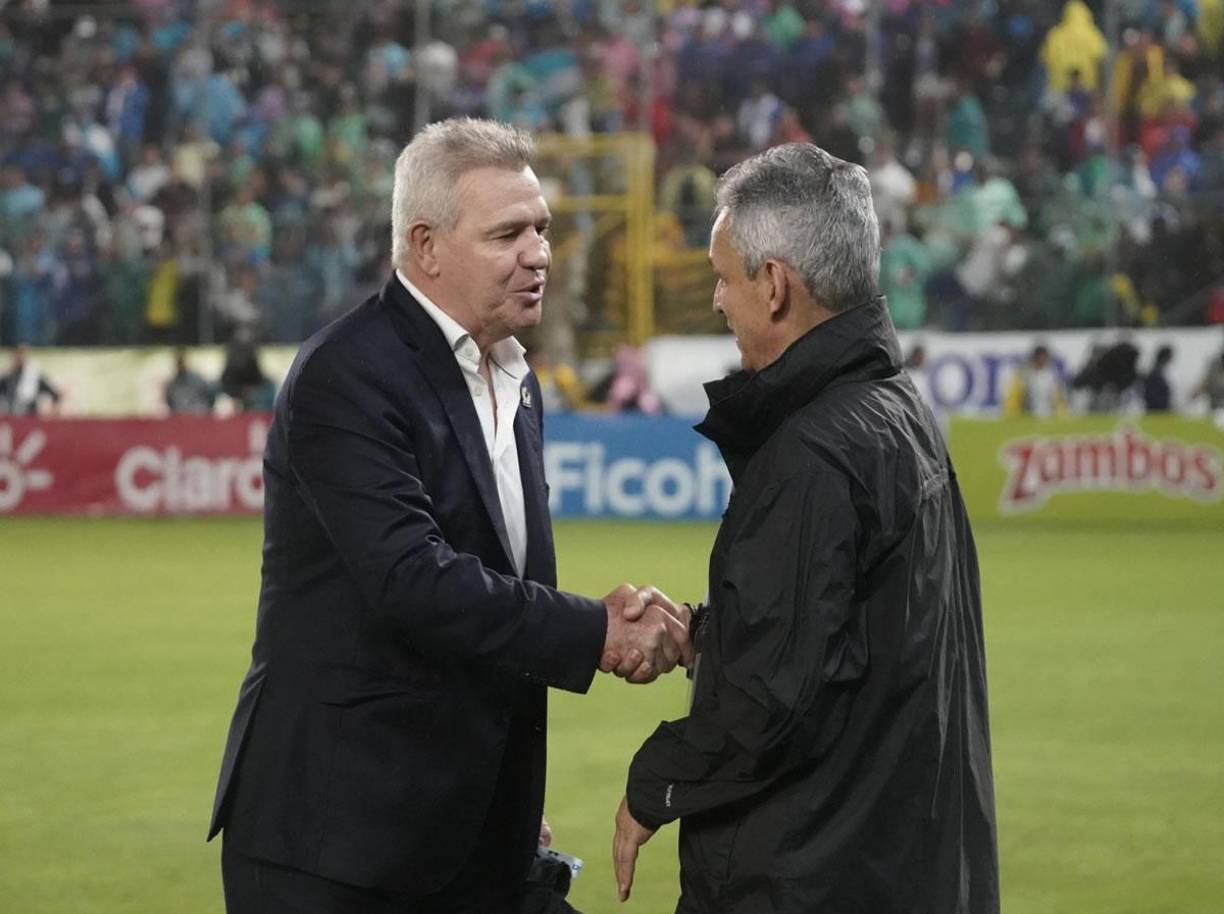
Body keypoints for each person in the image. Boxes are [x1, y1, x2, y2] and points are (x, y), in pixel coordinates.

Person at [209, 118, 690, 914]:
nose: (539, 253)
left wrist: (498, 794)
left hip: (467, 834)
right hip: (336, 846)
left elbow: (493, 598)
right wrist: (596, 631)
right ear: (425, 246)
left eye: (541, 229)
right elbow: (412, 579)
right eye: (508, 234)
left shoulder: (516, 379)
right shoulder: (347, 374)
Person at [611, 144, 998, 913]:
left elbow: (769, 705)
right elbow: (842, 637)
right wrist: (709, 631)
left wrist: (653, 784)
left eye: (724, 278)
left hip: (812, 876)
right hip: (899, 864)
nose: (718, 301)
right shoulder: (897, 410)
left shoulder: (813, 452)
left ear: (775, 285)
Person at [1004, 343, 1068, 418]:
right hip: (1028, 414)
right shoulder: (1025, 375)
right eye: (1040, 357)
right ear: (1035, 358)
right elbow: (1014, 397)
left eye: (1044, 357)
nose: (1042, 360)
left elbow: (1059, 399)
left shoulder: (1051, 376)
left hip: (1049, 415)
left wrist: (1060, 413)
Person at [0, 344, 61, 416]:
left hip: (30, 417)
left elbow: (55, 394)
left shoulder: (34, 376)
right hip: (11, 416)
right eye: (17, 355)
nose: (20, 358)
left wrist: (53, 409)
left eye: (22, 354)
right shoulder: (7, 377)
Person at [164, 347, 216, 414]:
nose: (180, 366)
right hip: (181, 416)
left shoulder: (197, 379)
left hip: (198, 413)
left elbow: (209, 394)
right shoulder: (172, 384)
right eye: (179, 363)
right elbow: (169, 402)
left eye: (182, 363)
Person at [1142, 344, 1175, 412]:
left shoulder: (1158, 372)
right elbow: (1151, 394)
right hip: (1156, 410)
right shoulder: (1156, 373)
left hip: (1158, 409)